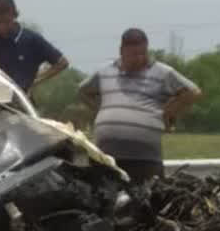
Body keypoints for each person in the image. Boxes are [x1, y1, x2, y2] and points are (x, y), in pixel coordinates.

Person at [78, 28, 203, 184]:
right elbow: (83, 91)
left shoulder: (161, 72)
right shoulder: (104, 72)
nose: (139, 58)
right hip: (106, 158)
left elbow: (194, 92)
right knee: (106, 203)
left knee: (146, 203)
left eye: (143, 53)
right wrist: (102, 110)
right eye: (134, 54)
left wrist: (168, 112)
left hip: (145, 159)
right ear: (121, 51)